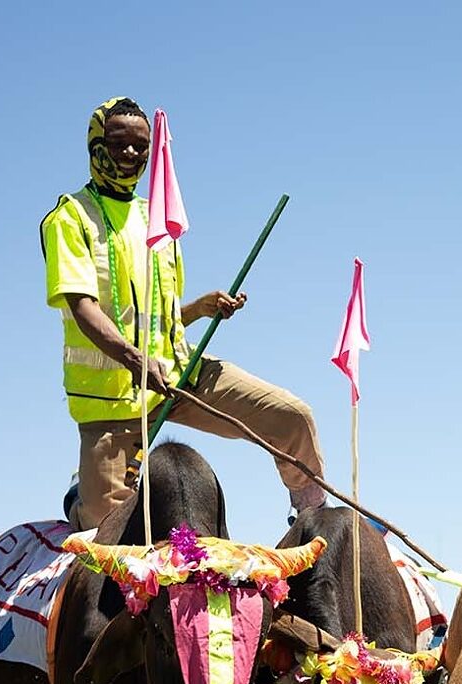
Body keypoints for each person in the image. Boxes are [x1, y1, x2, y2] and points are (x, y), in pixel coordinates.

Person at [41, 96, 327, 530]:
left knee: (292, 418)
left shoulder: (156, 217)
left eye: (141, 146)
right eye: (120, 143)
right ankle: (81, 496)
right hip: (113, 401)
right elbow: (84, 308)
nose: (132, 154)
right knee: (107, 527)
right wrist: (135, 361)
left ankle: (314, 519)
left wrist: (200, 308)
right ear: (94, 145)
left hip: (179, 376)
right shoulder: (70, 218)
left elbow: (160, 317)